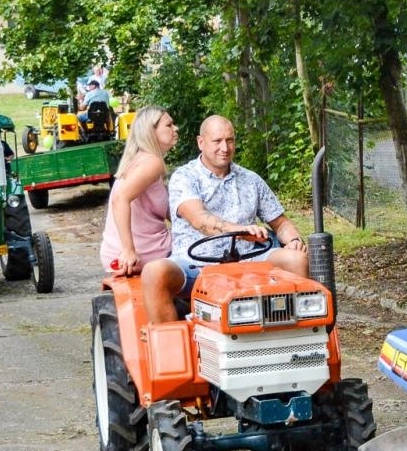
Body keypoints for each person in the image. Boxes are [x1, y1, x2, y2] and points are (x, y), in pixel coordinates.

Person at [166, 115, 310, 301]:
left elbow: (281, 223)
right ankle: (167, 327)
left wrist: (294, 240)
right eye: (217, 141)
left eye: (230, 140)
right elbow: (200, 220)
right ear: (201, 142)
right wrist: (240, 231)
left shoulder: (251, 180)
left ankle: (296, 323)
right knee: (156, 272)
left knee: (296, 259)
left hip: (249, 261)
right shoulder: (184, 177)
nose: (225, 148)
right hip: (197, 265)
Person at [101, 107, 184, 325]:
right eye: (169, 125)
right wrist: (128, 250)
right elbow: (120, 200)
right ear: (151, 131)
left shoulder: (141, 161)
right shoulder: (151, 163)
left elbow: (174, 212)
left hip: (138, 249)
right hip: (144, 254)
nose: (175, 129)